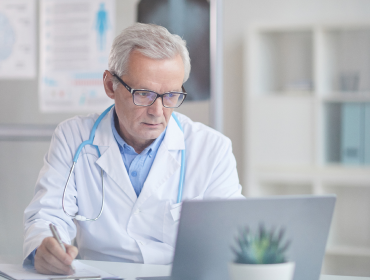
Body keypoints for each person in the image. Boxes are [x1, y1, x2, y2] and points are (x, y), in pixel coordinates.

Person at [23, 23, 244, 275]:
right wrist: (46, 247)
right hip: (98, 274)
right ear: (110, 85)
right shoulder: (74, 137)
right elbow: (48, 214)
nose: (157, 111)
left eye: (171, 95)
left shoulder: (211, 148)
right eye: (144, 94)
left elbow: (231, 235)